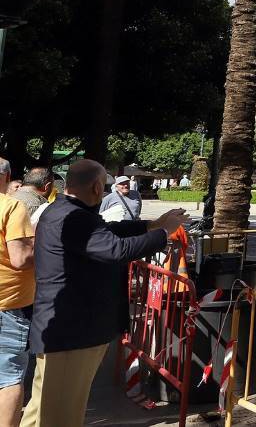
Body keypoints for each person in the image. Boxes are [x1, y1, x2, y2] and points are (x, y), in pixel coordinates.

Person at [22, 159, 188, 427]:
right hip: (72, 333)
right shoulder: (75, 217)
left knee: (42, 408)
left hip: (63, 330)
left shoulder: (64, 210)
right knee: (61, 414)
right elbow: (116, 250)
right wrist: (164, 233)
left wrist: (151, 225)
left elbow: (106, 232)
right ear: (97, 187)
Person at [0, 157, 33, 427]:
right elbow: (20, 258)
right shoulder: (11, 206)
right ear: (7, 177)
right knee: (8, 377)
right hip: (7, 304)